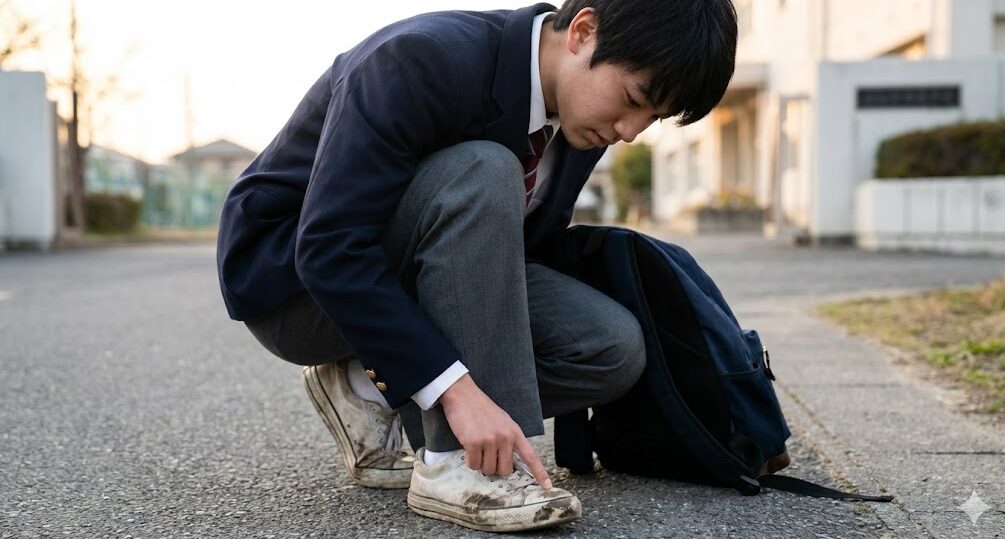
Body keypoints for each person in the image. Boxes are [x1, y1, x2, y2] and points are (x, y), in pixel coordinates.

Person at [216, 0, 737, 532]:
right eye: (633, 100)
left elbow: (512, 252)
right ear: (583, 31)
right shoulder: (422, 59)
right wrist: (458, 394)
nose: (630, 131)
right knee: (485, 168)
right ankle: (454, 464)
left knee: (609, 347)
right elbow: (329, 247)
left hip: (405, 272)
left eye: (651, 120)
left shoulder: (580, 115)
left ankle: (364, 384)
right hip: (296, 288)